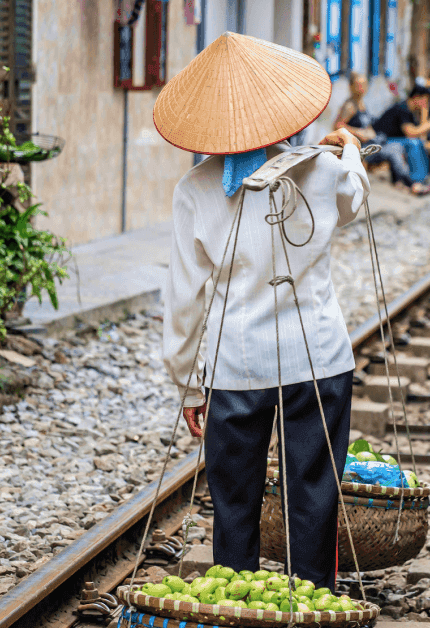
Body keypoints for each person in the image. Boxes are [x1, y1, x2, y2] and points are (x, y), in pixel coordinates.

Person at [155, 32, 371, 591]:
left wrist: (189, 383)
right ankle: (313, 600)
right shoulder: (320, 171)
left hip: (236, 368)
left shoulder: (195, 191)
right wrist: (344, 145)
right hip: (318, 360)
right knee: (314, 493)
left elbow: (184, 300)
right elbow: (356, 198)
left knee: (233, 502)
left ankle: (238, 605)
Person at [371, 85, 430, 196]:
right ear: (416, 98)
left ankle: (421, 179)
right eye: (425, 101)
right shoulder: (403, 108)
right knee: (414, 143)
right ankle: (417, 181)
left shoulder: (410, 111)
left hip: (391, 141)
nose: (426, 105)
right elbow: (411, 133)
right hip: (379, 143)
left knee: (418, 143)